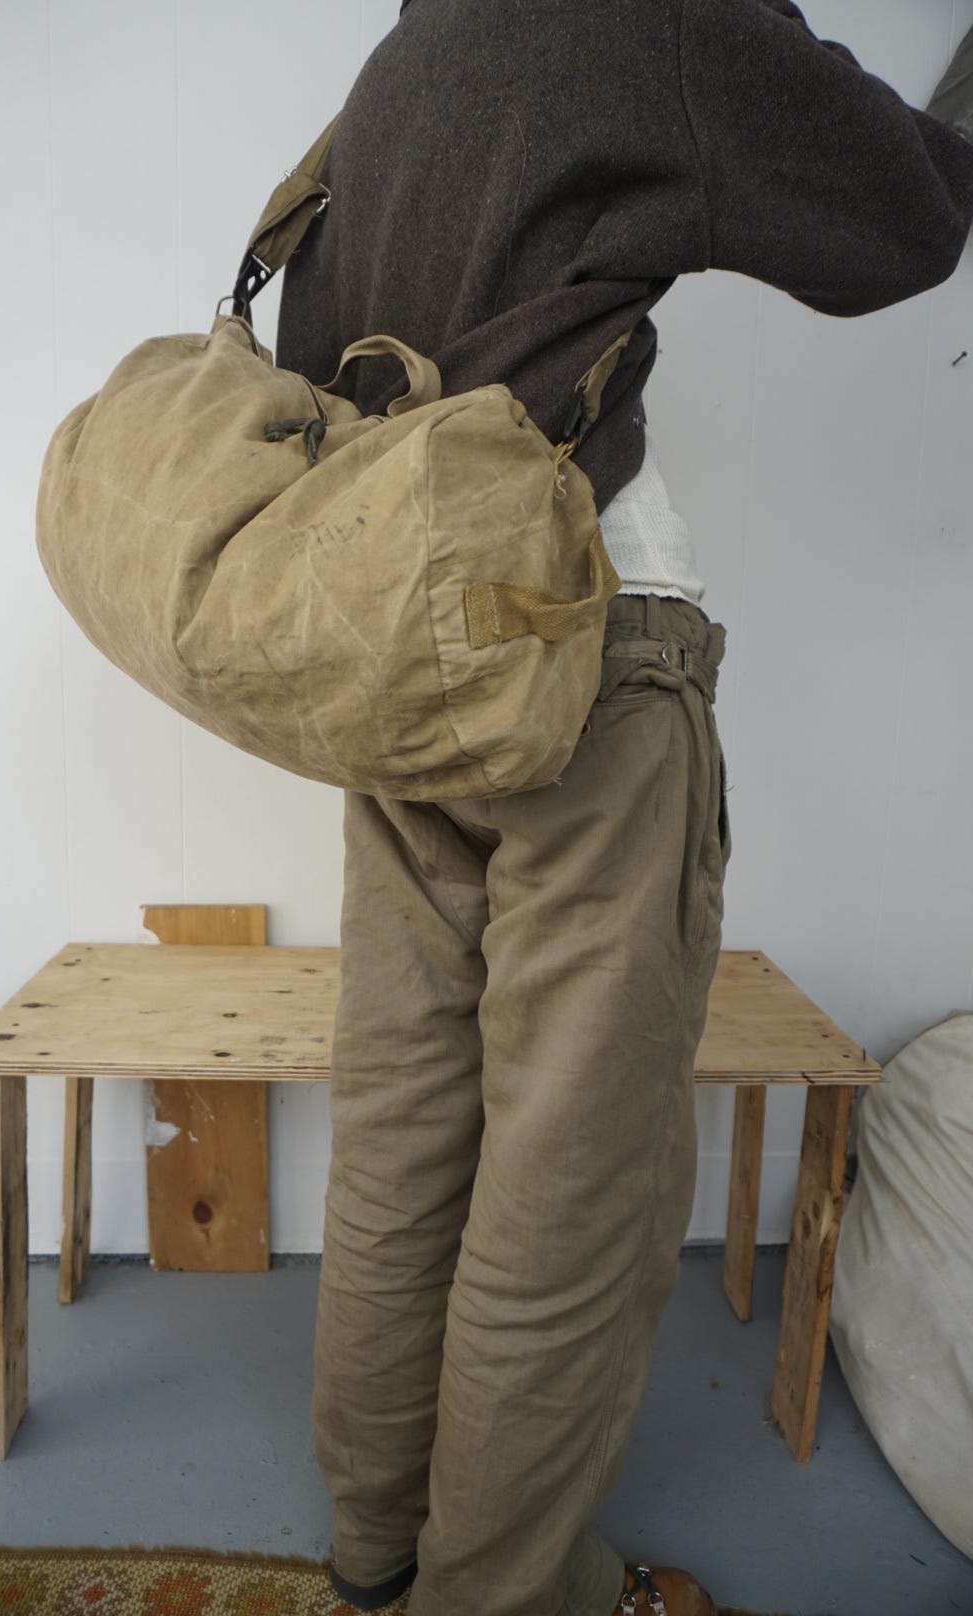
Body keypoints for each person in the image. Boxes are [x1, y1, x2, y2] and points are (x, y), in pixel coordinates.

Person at [273, 5, 973, 1614]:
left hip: (400, 646)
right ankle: (509, 1595)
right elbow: (909, 219)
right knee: (570, 1183)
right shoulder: (654, 16)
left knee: (400, 1130)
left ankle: (376, 1543)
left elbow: (321, 345)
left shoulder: (411, 48)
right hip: (584, 644)